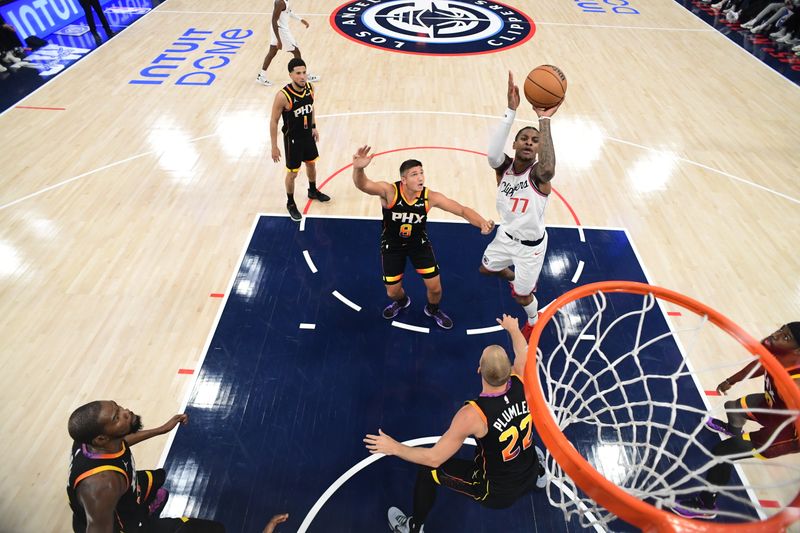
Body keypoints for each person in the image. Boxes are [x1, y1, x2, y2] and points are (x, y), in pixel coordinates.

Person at [364, 315, 546, 532]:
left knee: (427, 472)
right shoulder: (524, 379)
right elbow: (523, 351)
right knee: (528, 442)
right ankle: (540, 475)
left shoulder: (473, 415)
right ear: (510, 369)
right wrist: (513, 329)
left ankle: (414, 527)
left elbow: (434, 458)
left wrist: (394, 447)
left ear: (479, 369)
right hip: (529, 468)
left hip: (497, 491)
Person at [67, 400, 289, 532]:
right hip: (125, 526)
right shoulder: (102, 486)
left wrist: (162, 429)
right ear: (101, 439)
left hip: (123, 496)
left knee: (158, 477)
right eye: (117, 417)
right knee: (212, 530)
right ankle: (143, 514)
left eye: (118, 407)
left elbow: (122, 442)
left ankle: (145, 502)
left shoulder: (90, 441)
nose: (126, 412)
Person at [351, 145, 495, 329]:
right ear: (403, 179)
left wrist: (481, 222)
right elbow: (362, 185)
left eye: (421, 173)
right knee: (392, 292)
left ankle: (433, 310)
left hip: (419, 244)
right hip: (393, 246)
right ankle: (402, 302)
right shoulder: (389, 191)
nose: (420, 177)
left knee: (435, 288)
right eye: (414, 174)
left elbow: (461, 210)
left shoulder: (429, 197)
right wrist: (358, 168)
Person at [671, 322, 800, 519]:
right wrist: (732, 380)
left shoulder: (796, 381)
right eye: (780, 330)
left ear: (798, 352)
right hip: (774, 406)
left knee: (722, 453)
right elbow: (760, 365)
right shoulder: (776, 352)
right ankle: (733, 431)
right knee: (733, 408)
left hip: (787, 431)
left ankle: (706, 505)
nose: (776, 335)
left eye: (786, 337)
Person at [478, 71, 563, 341]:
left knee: (523, 296)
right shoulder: (504, 169)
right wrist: (510, 111)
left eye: (534, 140)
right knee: (486, 268)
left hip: (531, 248)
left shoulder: (539, 175)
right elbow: (492, 154)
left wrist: (544, 119)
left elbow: (549, 168)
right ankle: (519, 279)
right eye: (524, 138)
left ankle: (533, 319)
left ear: (538, 148)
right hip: (505, 237)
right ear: (514, 144)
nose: (528, 141)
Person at [270, 58, 330, 222]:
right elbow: (274, 121)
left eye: (304, 72)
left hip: (307, 136)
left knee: (311, 164)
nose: (302, 76)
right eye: (298, 73)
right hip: (293, 140)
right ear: (290, 75)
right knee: (293, 173)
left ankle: (312, 190)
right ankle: (290, 202)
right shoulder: (283, 96)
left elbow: (311, 109)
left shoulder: (310, 88)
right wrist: (274, 146)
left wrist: (313, 126)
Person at [256, 0, 320, 86]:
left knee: (272, 52)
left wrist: (300, 19)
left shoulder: (284, 1)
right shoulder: (280, 2)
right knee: (296, 51)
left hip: (278, 30)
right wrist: (279, 39)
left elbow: (288, 11)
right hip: (280, 30)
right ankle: (304, 75)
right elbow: (274, 20)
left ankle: (261, 76)